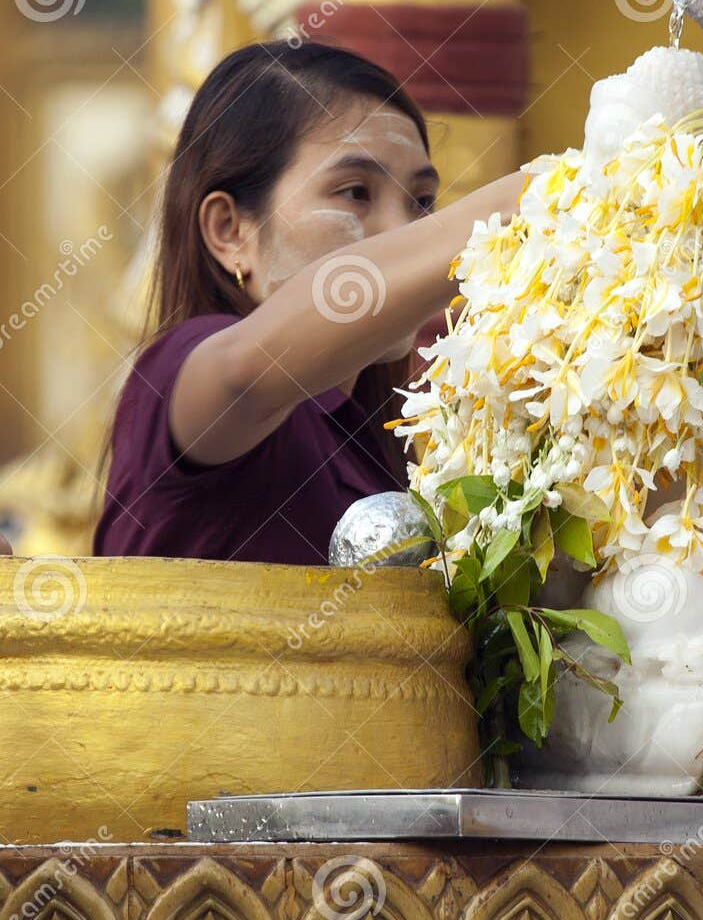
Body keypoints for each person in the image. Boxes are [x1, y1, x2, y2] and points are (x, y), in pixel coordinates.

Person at [95, 41, 524, 563]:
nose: (404, 229)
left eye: (422, 203)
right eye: (355, 192)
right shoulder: (183, 370)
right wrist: (540, 195)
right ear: (230, 230)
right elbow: (245, 371)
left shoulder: (373, 447)